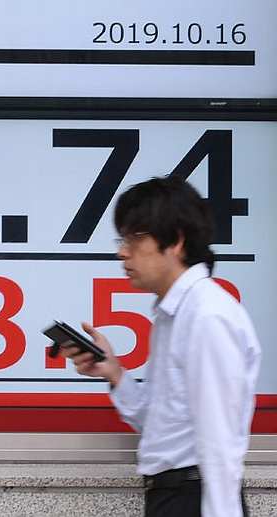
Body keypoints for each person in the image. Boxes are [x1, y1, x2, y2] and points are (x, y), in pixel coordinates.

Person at [61, 176, 260, 517]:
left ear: (176, 242)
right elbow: (160, 423)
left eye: (134, 239)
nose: (122, 252)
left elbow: (220, 442)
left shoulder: (207, 315)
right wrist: (115, 373)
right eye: (122, 239)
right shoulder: (171, 315)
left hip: (195, 498)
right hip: (172, 495)